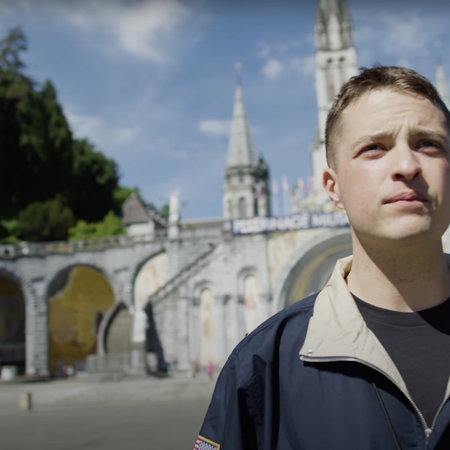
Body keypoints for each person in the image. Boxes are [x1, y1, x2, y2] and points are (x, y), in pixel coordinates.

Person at [193, 66, 450, 450]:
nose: (407, 166)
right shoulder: (263, 364)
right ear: (332, 187)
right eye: (374, 148)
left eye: (428, 143)